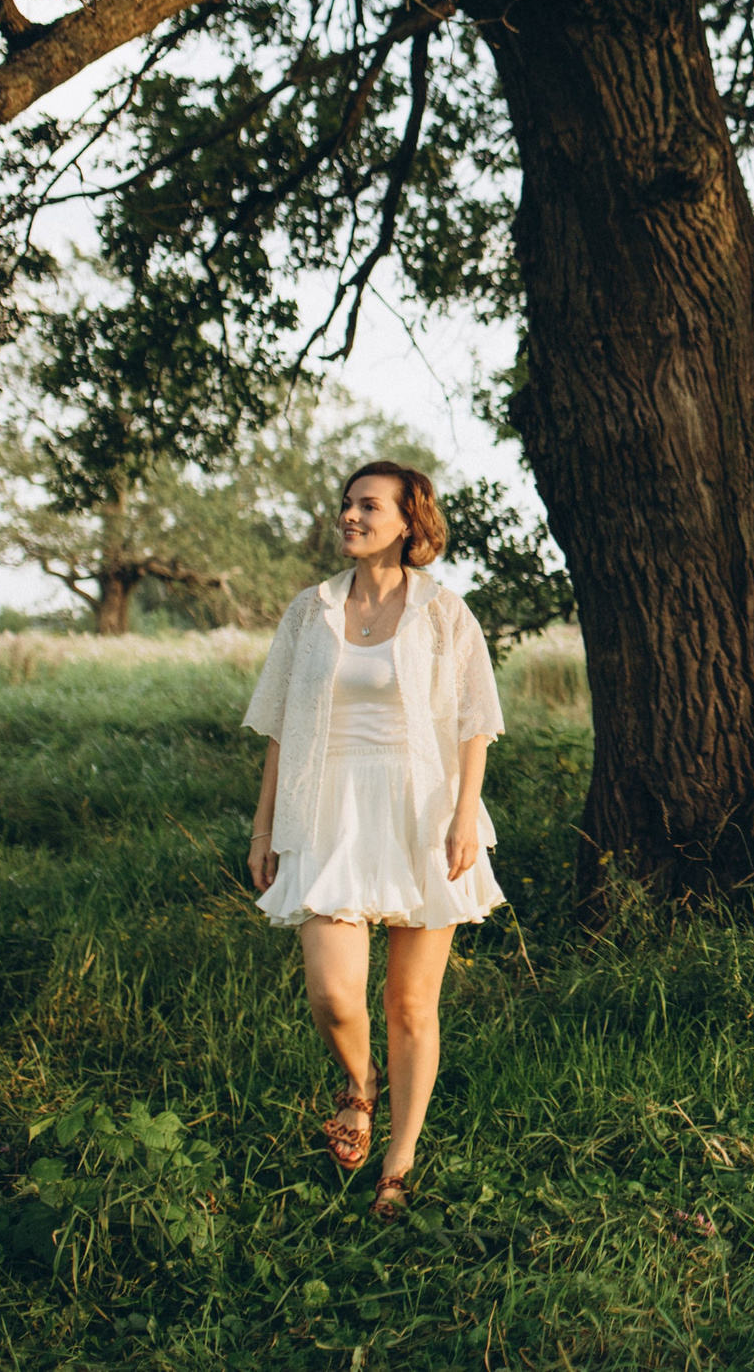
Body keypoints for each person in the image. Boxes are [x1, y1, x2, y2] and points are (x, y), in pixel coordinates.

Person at [242, 461, 506, 1222]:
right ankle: (359, 1086)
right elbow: (280, 730)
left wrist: (465, 812)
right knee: (332, 991)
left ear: (407, 521)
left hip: (421, 809)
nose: (350, 517)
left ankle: (398, 1161)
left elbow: (474, 722)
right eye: (347, 504)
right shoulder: (309, 611)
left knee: (411, 1004)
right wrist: (264, 825)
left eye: (368, 505)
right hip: (327, 811)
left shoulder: (444, 612)